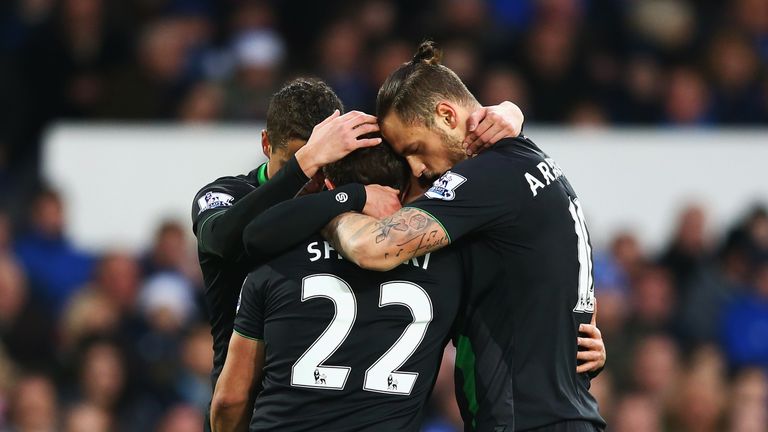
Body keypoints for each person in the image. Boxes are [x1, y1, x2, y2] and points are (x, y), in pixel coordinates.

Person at [242, 42, 606, 431]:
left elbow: (371, 248)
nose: (417, 169)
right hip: (564, 415)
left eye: (415, 149)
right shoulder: (530, 163)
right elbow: (573, 287)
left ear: (447, 115)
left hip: (527, 421)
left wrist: (331, 209)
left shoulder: (487, 178)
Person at [192, 76, 525, 429]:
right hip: (245, 401)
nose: (311, 180)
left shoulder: (376, 235)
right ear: (266, 144)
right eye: (297, 162)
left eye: (325, 164)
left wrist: (509, 113)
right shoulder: (231, 196)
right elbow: (231, 239)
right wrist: (346, 190)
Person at [212, 143, 463, 431]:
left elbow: (230, 399)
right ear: (404, 189)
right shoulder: (447, 268)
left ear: (327, 185)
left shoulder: (274, 262)